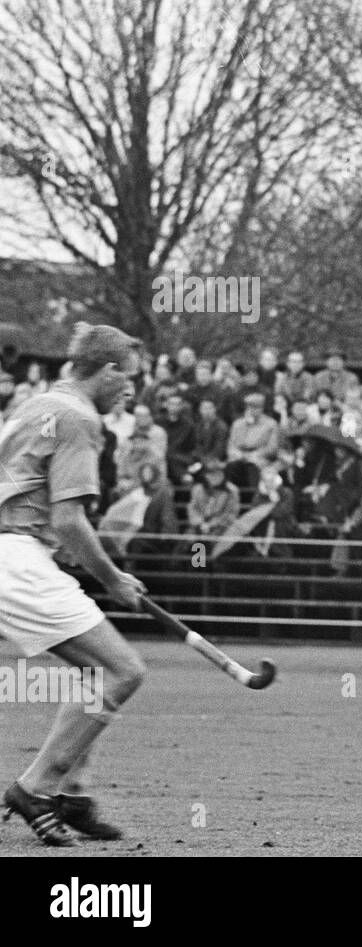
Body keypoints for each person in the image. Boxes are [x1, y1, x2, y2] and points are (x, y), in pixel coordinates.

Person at [0, 322, 148, 846]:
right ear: (108, 371)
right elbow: (68, 520)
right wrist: (112, 579)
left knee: (92, 671)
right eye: (129, 379)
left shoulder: (39, 402)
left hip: (14, 554)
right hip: (15, 557)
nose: (132, 390)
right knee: (123, 669)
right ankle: (35, 787)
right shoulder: (81, 418)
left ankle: (71, 794)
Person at [226, 392, 280, 489]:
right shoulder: (238, 424)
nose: (252, 410)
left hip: (259, 456)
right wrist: (238, 454)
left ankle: (254, 498)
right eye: (249, 407)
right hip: (240, 455)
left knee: (253, 466)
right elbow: (231, 445)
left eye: (256, 407)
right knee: (232, 466)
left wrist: (255, 454)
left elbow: (272, 447)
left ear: (261, 408)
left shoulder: (270, 424)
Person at [187, 457, 241, 538]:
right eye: (210, 474)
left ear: (223, 474)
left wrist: (211, 525)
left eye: (218, 473)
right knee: (188, 540)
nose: (214, 477)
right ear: (205, 475)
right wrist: (200, 523)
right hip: (199, 526)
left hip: (222, 528)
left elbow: (230, 514)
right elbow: (192, 509)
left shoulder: (232, 491)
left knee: (218, 541)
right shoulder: (197, 489)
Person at [114, 404, 167, 485]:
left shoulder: (159, 432)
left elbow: (160, 456)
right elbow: (119, 456)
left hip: (152, 475)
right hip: (130, 478)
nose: (140, 419)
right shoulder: (129, 433)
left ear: (149, 416)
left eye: (143, 416)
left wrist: (147, 446)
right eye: (137, 416)